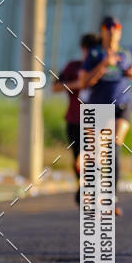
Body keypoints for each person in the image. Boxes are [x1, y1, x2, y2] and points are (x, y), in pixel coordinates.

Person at [80, 15, 132, 216]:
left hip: (121, 106)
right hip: (99, 105)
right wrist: (104, 63)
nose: (112, 30)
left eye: (116, 27)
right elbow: (84, 81)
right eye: (108, 27)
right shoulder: (95, 53)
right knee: (97, 155)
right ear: (103, 31)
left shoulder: (126, 53)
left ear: (120, 31)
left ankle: (111, 198)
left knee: (114, 146)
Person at [53, 33, 97, 204]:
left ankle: (89, 190)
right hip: (74, 120)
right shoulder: (73, 66)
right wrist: (77, 84)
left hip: (95, 120)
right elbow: (55, 87)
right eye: (89, 50)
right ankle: (83, 185)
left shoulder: (103, 68)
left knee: (90, 157)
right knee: (77, 158)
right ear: (83, 49)